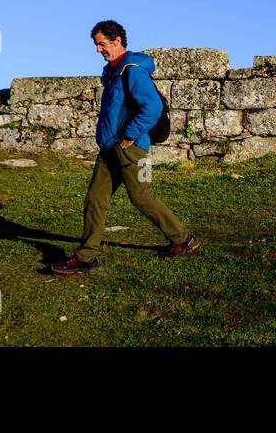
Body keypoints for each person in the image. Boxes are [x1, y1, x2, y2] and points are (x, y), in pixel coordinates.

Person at [50, 20, 200, 274]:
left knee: (142, 197)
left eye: (101, 44)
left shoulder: (132, 70)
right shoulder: (112, 72)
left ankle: (183, 239)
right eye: (96, 45)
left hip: (131, 148)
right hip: (109, 149)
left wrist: (129, 134)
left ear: (117, 40)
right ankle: (86, 257)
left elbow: (151, 107)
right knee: (95, 200)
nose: (98, 50)